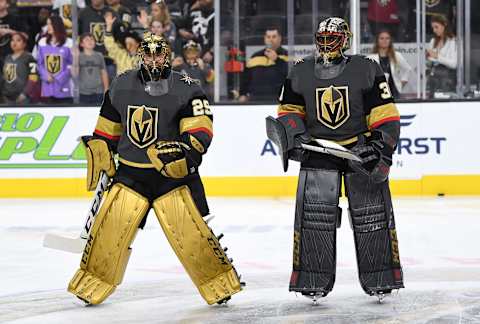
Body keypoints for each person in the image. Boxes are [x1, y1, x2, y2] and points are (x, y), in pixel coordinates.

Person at [67, 32, 242, 306]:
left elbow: (201, 130)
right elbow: (107, 129)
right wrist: (101, 148)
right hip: (130, 174)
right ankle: (95, 280)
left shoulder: (187, 87)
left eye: (157, 53)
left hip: (171, 176)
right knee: (110, 230)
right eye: (147, 53)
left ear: (167, 54)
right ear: (140, 55)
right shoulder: (121, 85)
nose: (152, 58)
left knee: (192, 236)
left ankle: (217, 281)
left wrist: (184, 151)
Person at [267, 17, 404, 301]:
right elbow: (288, 111)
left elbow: (386, 114)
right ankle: (311, 279)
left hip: (359, 150)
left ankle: (380, 276)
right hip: (319, 152)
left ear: (346, 39)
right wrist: (296, 135)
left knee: (372, 217)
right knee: (314, 220)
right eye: (323, 39)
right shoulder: (300, 71)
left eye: (333, 39)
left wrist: (379, 147)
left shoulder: (367, 68)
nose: (327, 44)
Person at [239, 27, 288, 102]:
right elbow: (246, 78)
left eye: (274, 37)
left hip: (279, 100)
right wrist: (243, 94)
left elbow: (292, 76)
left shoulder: (287, 55)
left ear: (280, 38)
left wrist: (277, 60)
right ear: (265, 39)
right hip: (255, 99)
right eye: (268, 37)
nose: (271, 39)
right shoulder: (255, 56)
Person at [36, 16, 73, 103]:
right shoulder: (42, 42)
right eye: (47, 24)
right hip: (47, 88)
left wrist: (58, 78)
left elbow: (71, 64)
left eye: (51, 24)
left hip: (64, 87)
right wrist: (45, 75)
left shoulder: (69, 42)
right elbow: (39, 63)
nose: (48, 26)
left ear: (58, 25)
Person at [367, 30, 412, 99]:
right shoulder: (371, 58)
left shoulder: (396, 55)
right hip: (377, 94)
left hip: (394, 92)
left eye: (387, 38)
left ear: (390, 40)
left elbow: (407, 69)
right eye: (382, 38)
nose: (384, 40)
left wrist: (401, 83)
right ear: (377, 41)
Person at [73, 33, 109, 104]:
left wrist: (106, 89)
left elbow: (104, 72)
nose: (90, 41)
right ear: (81, 44)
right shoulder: (79, 56)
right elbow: (75, 74)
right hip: (83, 92)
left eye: (92, 39)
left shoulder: (99, 55)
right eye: (87, 40)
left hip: (98, 91)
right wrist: (75, 58)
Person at [1, 33, 37, 104]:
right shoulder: (7, 58)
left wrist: (25, 93)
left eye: (18, 40)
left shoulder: (29, 58)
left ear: (24, 44)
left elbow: (34, 77)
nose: (14, 43)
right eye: (12, 40)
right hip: (7, 96)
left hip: (22, 97)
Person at [426, 14, 457, 96]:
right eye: (433, 28)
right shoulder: (433, 41)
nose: (434, 30)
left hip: (447, 80)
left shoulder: (453, 42)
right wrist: (428, 59)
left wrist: (437, 57)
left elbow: (454, 64)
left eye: (436, 27)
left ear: (445, 25)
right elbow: (429, 62)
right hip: (433, 79)